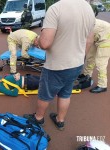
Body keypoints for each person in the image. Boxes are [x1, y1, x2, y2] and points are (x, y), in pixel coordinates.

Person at [23, 0, 95, 131]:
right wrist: (79, 57)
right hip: (77, 62)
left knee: (45, 93)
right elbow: (89, 40)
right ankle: (60, 120)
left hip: (57, 65)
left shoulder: (56, 8)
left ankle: (38, 118)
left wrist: (38, 40)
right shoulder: (88, 8)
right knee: (65, 93)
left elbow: (45, 43)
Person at [78, 19, 110, 93]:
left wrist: (82, 55)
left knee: (101, 62)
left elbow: (86, 42)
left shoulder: (83, 24)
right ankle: (86, 75)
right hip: (95, 36)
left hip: (107, 37)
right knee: (90, 57)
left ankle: (102, 85)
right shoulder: (78, 23)